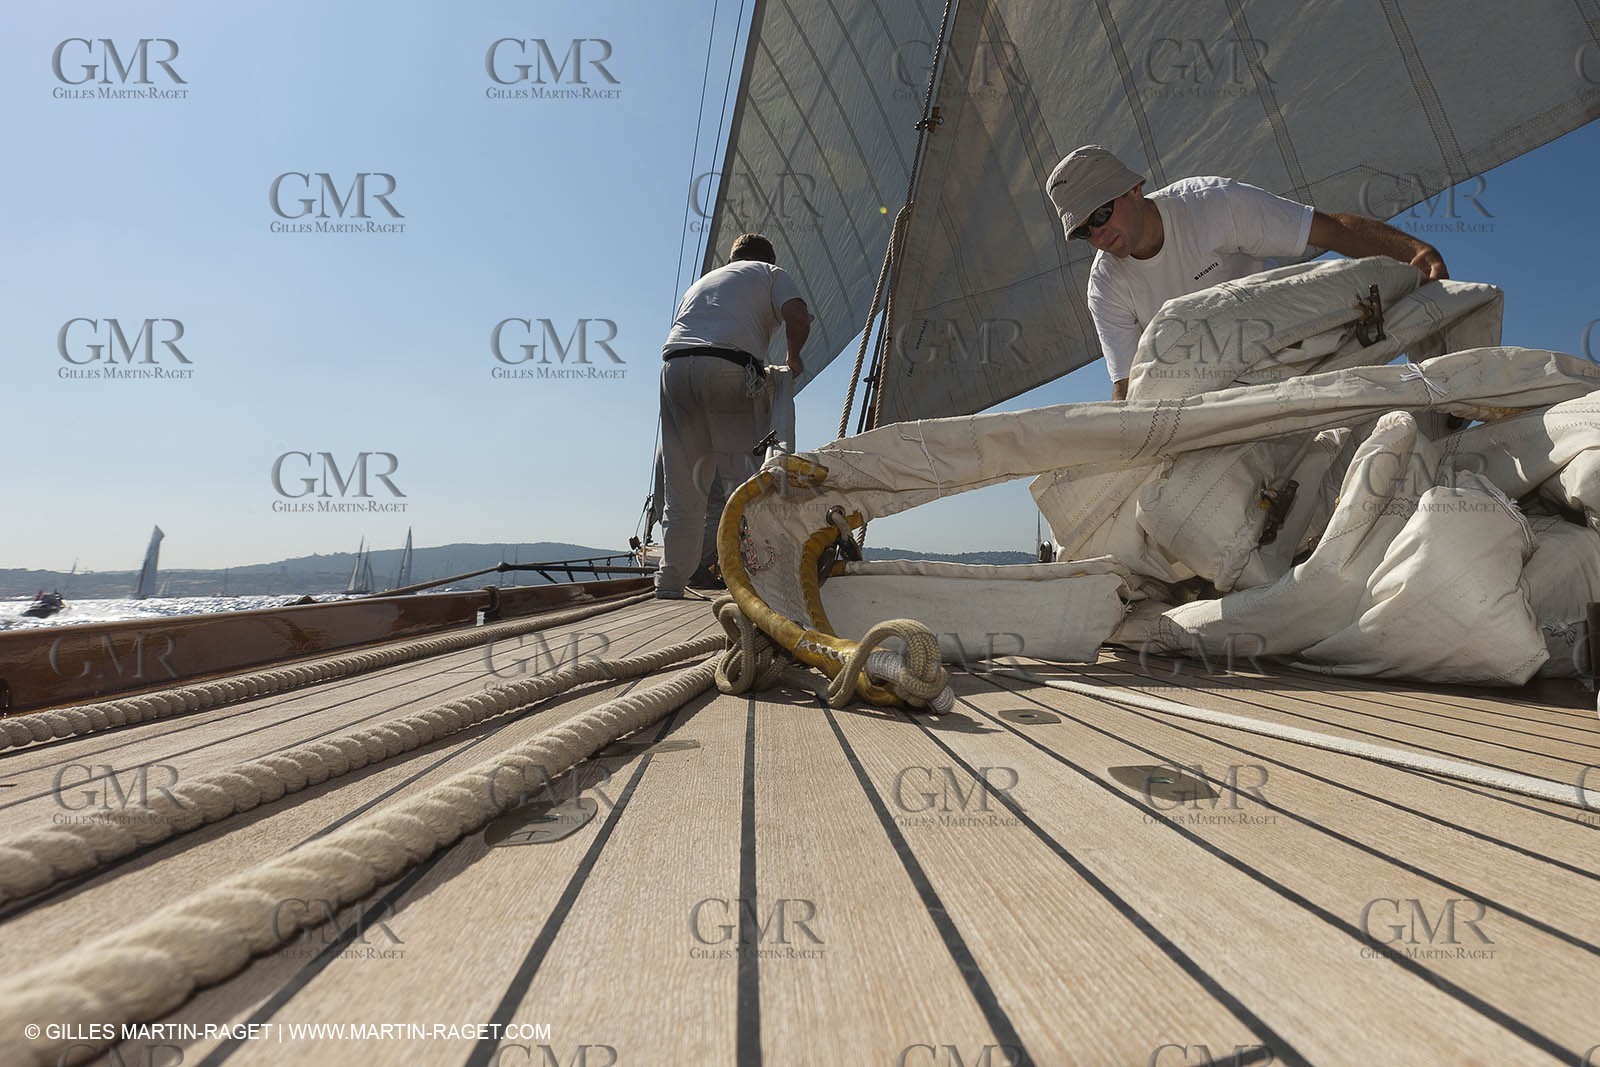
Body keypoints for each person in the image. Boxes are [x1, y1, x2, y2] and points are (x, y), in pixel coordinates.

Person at [1046, 145, 1449, 399]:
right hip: (1209, 394)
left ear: (1133, 188)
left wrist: (1416, 250)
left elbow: (1328, 230)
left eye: (1100, 213)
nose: (1097, 234)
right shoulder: (1105, 286)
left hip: (1290, 348)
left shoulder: (1211, 205)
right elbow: (1129, 386)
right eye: (1083, 230)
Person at [655, 232, 809, 600]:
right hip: (729, 368)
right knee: (744, 484)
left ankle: (670, 584)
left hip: (674, 369)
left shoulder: (703, 283)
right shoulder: (770, 272)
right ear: (767, 257)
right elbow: (797, 315)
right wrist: (794, 357)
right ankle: (756, 585)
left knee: (683, 490)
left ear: (731, 258)